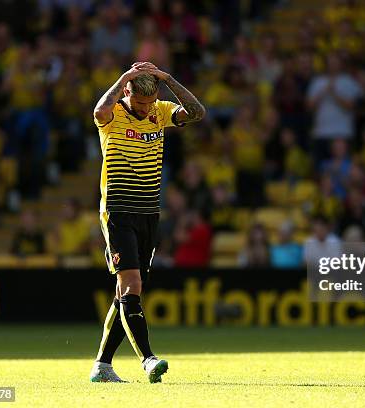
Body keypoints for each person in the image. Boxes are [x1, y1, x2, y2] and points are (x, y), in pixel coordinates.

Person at [89, 61, 205, 383]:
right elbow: (99, 111)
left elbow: (196, 112)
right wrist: (123, 75)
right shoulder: (113, 117)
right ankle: (148, 360)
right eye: (140, 103)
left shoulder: (160, 110)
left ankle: (102, 365)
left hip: (149, 211)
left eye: (150, 102)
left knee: (124, 291)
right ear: (126, 92)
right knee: (132, 286)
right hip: (118, 211)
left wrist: (167, 78)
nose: (145, 109)